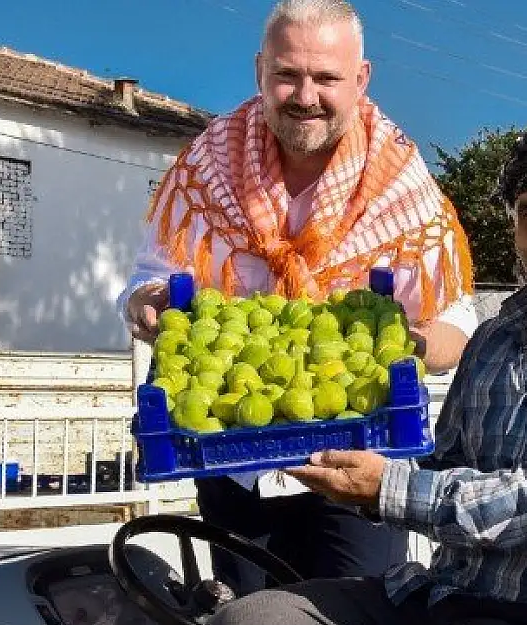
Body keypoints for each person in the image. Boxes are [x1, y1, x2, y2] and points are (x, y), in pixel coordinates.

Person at [209, 130, 527, 625]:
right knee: (253, 614)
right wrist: (336, 457)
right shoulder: (494, 339)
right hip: (443, 594)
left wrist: (388, 489)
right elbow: (443, 463)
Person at [116, 0, 478, 596]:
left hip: (356, 459)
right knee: (246, 609)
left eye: (327, 77)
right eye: (287, 74)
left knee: (354, 607)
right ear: (261, 70)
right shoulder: (206, 166)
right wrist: (147, 301)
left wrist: (423, 344)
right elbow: (150, 274)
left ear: (360, 79)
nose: (305, 95)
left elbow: (454, 313)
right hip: (231, 456)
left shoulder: (400, 182)